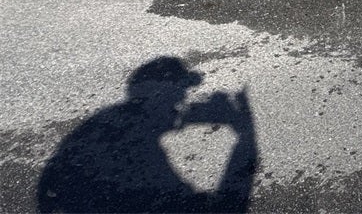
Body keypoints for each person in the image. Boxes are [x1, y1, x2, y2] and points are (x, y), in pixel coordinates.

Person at [37, 57, 258, 213]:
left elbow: (164, 121)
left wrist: (197, 118)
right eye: (181, 92)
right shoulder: (128, 142)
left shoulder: (113, 121)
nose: (183, 100)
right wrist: (244, 134)